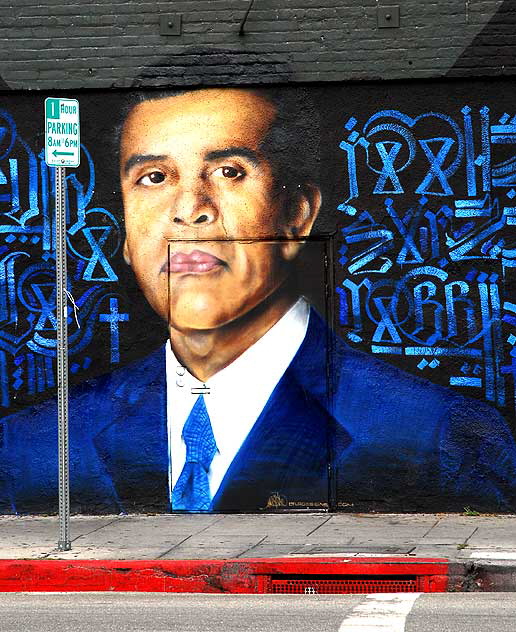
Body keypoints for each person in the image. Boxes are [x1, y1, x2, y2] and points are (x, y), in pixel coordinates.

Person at [1, 87, 516, 514]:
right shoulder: (33, 445)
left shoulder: (438, 434)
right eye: (153, 178)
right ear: (126, 237)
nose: (190, 210)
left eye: (229, 172)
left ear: (296, 215)